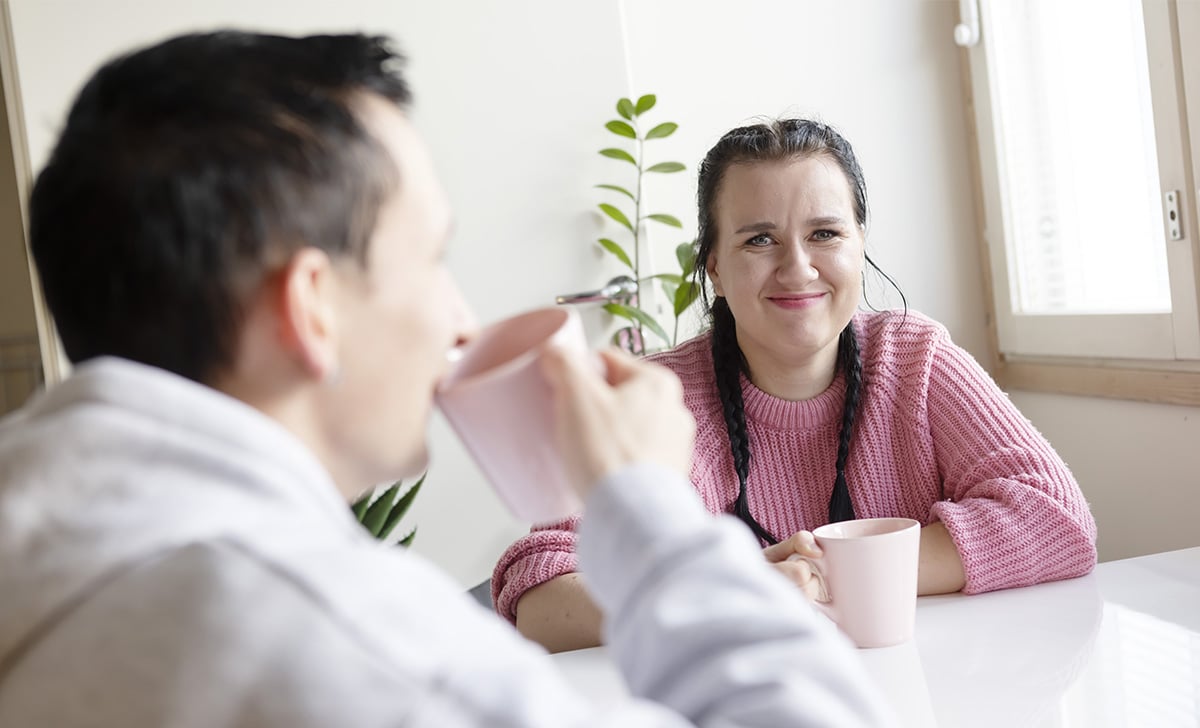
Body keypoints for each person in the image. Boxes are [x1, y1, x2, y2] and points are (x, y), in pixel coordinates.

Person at [0, 34, 894, 726]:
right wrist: (650, 511)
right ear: (313, 308)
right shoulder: (354, 651)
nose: (460, 321)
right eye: (433, 258)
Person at [494, 118, 1098, 653]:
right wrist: (735, 589)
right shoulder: (658, 400)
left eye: (826, 234)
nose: (798, 268)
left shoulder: (918, 360)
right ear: (714, 269)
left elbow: (1059, 521)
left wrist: (826, 574)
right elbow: (540, 596)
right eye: (759, 239)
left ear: (861, 244)